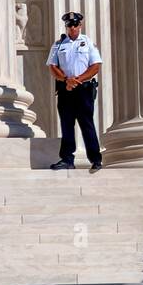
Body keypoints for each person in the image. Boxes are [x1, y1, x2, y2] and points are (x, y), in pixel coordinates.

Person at [46, 12, 104, 171]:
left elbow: (96, 66)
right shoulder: (59, 44)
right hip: (66, 89)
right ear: (66, 26)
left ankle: (96, 159)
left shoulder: (87, 42)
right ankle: (67, 159)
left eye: (75, 25)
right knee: (67, 124)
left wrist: (77, 79)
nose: (73, 28)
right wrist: (66, 80)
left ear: (80, 25)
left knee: (87, 124)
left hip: (83, 89)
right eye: (70, 25)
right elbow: (52, 66)